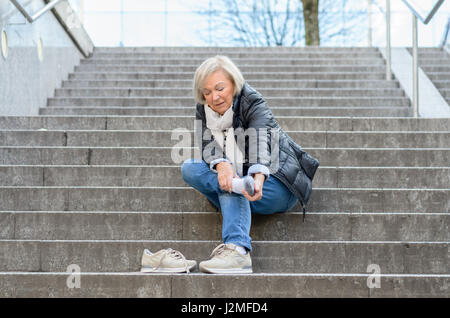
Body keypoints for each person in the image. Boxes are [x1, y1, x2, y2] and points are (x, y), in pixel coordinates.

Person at [179, 55, 319, 274]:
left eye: (220, 88)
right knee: (190, 167)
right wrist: (221, 165)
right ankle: (234, 189)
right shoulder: (203, 109)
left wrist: (258, 176)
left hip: (276, 183)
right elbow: (207, 144)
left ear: (234, 83)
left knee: (232, 184)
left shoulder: (252, 101)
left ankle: (238, 251)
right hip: (241, 177)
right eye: (207, 92)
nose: (214, 97)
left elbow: (261, 140)